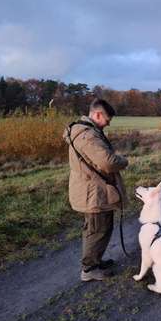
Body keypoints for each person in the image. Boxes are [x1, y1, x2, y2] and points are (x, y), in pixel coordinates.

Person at [63, 99, 128, 281]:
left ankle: (96, 261)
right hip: (93, 194)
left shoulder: (87, 132)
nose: (109, 123)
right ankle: (89, 269)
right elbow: (108, 162)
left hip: (95, 190)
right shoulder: (87, 135)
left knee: (101, 228)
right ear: (97, 114)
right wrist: (123, 161)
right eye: (107, 119)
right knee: (96, 230)